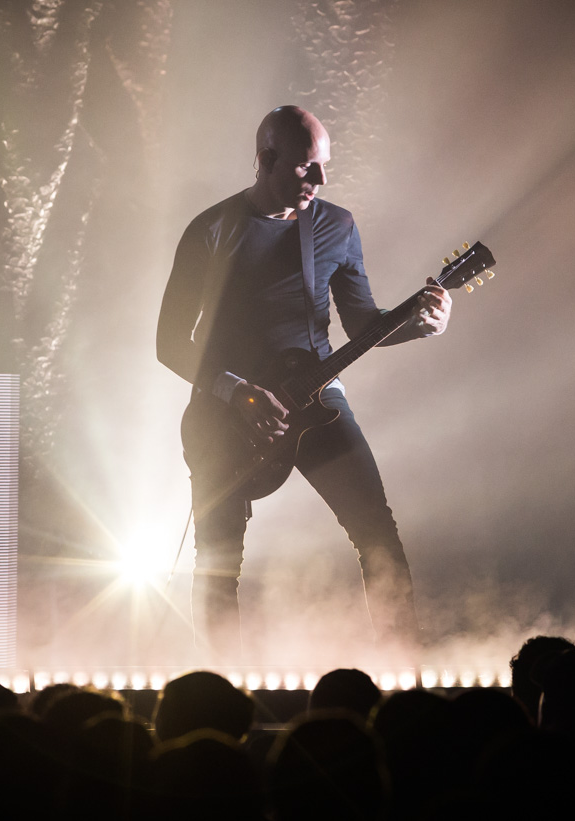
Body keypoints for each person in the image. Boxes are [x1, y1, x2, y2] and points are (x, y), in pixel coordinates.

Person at [157, 105, 451, 658]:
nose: (320, 180)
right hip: (225, 413)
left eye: (324, 167)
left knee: (377, 534)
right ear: (265, 161)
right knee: (219, 560)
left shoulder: (336, 226)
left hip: (319, 397)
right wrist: (235, 390)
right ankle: (222, 689)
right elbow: (169, 341)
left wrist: (420, 327)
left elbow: (363, 325)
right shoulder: (212, 230)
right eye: (305, 167)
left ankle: (404, 669)